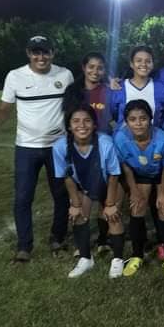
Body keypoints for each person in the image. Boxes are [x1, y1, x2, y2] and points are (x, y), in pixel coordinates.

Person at [0, 35, 73, 262]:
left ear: (52, 53)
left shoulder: (65, 75)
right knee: (23, 198)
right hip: (26, 147)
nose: (40, 57)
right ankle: (24, 246)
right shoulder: (15, 76)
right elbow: (5, 108)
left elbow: (73, 106)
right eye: (36, 52)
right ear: (28, 53)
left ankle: (57, 238)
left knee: (61, 195)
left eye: (45, 52)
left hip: (58, 147)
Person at [52, 104, 122, 278]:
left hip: (110, 185)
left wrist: (110, 203)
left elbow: (114, 175)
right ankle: (85, 258)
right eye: (76, 121)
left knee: (112, 216)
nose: (81, 125)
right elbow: (67, 177)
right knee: (78, 215)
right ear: (69, 126)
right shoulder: (60, 147)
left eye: (87, 121)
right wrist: (75, 204)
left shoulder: (105, 142)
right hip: (84, 187)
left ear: (95, 125)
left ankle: (118, 259)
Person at [114, 100, 164, 278]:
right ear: (126, 122)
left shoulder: (162, 138)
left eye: (143, 118)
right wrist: (133, 190)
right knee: (137, 206)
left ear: (150, 119)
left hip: (162, 175)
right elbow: (126, 166)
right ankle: (137, 255)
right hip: (139, 174)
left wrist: (163, 192)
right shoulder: (120, 138)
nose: (138, 123)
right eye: (132, 119)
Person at [62, 52, 115, 255]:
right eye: (91, 66)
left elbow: (118, 116)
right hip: (80, 148)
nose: (95, 71)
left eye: (100, 67)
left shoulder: (108, 91)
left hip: (103, 148)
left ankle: (103, 239)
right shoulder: (73, 91)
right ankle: (82, 243)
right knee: (83, 196)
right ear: (84, 67)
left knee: (104, 195)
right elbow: (69, 121)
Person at [109, 46, 164, 129]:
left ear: (152, 64)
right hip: (124, 139)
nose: (143, 64)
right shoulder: (119, 87)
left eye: (148, 61)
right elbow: (114, 113)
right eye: (138, 61)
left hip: (152, 138)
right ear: (131, 64)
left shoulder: (160, 88)